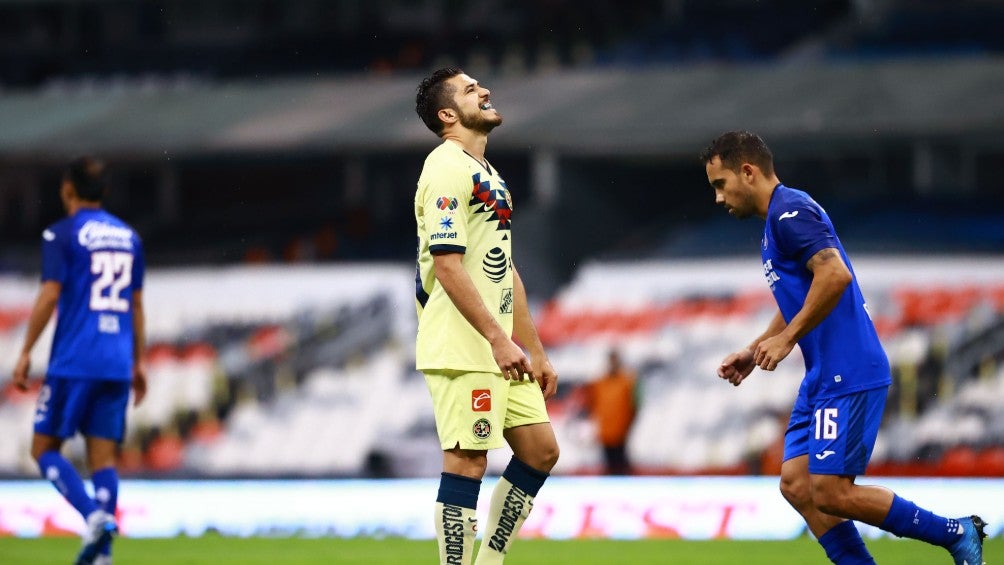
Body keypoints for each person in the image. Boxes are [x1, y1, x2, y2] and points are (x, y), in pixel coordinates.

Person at [700, 130, 985, 565]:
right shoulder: (776, 222)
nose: (718, 198)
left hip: (847, 370)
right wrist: (754, 349)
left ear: (748, 171)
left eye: (721, 185)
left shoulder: (789, 212)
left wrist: (787, 338)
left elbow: (835, 276)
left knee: (832, 492)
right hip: (822, 375)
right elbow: (803, 295)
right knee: (797, 483)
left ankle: (956, 532)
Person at [414, 67, 559, 565]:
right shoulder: (445, 167)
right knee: (468, 460)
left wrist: (534, 350)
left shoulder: (489, 175)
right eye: (471, 89)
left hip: (502, 346)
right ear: (448, 114)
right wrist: (499, 339)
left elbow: (506, 270)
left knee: (541, 450)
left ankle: (489, 560)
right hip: (463, 343)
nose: (486, 90)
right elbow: (448, 263)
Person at [13, 157, 147, 565]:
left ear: (68, 189)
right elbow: (136, 305)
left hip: (75, 359)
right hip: (116, 360)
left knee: (43, 447)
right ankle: (103, 555)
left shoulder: (62, 234)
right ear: (103, 191)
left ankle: (92, 517)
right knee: (103, 458)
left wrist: (25, 351)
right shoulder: (129, 237)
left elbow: (51, 294)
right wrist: (138, 363)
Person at [581, 348, 636, 475]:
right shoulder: (600, 383)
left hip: (622, 432)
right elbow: (591, 403)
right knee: (609, 466)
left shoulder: (627, 382)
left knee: (621, 464)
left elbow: (634, 406)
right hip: (606, 431)